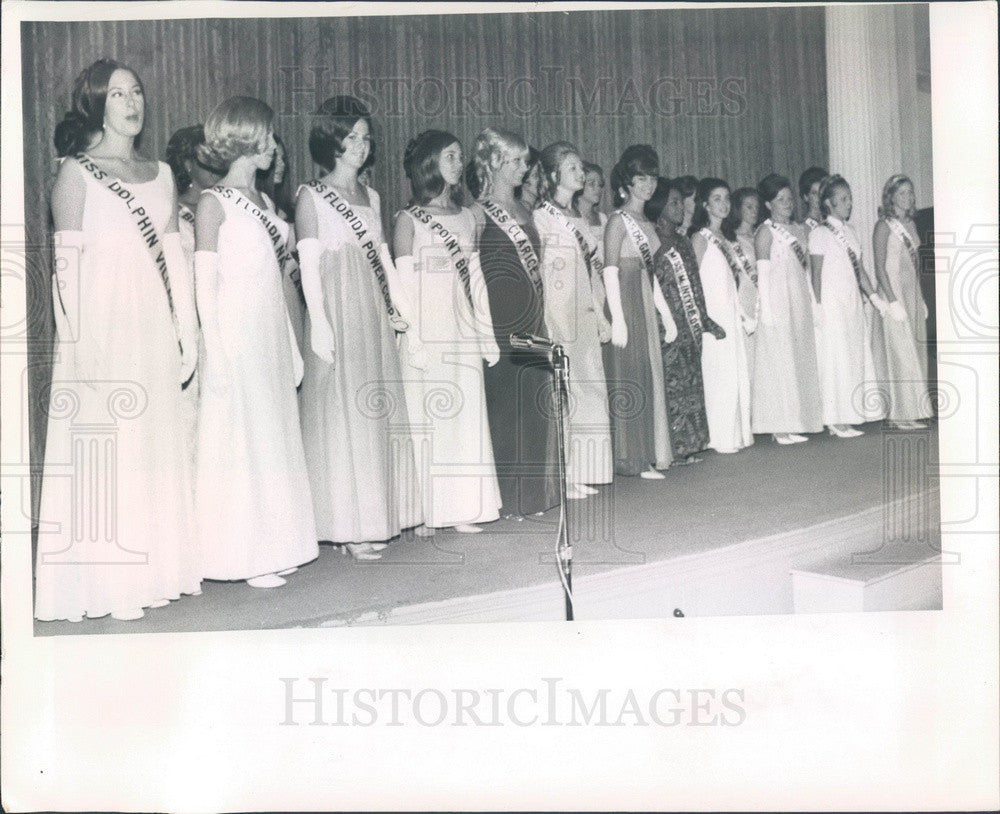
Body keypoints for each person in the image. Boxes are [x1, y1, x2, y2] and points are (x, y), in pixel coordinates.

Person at [37, 58, 201, 622]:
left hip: (153, 327)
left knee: (152, 451)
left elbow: (177, 261)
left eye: (136, 92)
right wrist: (81, 348)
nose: (131, 103)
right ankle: (111, 582)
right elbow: (66, 274)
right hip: (101, 334)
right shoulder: (75, 175)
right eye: (116, 95)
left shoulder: (161, 173)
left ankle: (157, 570)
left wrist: (189, 333)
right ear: (95, 105)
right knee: (111, 457)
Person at [194, 96, 318, 586]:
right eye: (265, 135)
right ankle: (242, 555)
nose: (273, 144)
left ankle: (276, 544)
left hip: (269, 330)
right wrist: (218, 354)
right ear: (245, 139)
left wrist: (290, 345)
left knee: (272, 440)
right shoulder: (212, 204)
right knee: (241, 445)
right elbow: (204, 285)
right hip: (235, 334)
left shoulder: (267, 203)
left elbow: (275, 281)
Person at [295, 95, 420, 559]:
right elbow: (308, 266)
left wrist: (403, 307)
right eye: (351, 137)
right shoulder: (311, 194)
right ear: (331, 140)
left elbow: (384, 261)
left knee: (371, 413)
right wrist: (320, 326)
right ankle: (347, 525)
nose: (360, 146)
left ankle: (374, 516)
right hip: (335, 309)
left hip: (369, 308)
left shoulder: (372, 196)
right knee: (340, 415)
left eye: (366, 138)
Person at [393, 130, 502, 533]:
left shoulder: (467, 217)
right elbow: (401, 286)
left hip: (462, 327)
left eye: (460, 156)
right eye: (451, 156)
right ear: (430, 164)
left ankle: (464, 506)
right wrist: (415, 337)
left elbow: (476, 279)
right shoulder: (407, 220)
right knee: (430, 418)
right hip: (426, 329)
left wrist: (487, 332)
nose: (459, 163)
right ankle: (430, 508)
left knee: (464, 415)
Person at [473, 127, 560, 518]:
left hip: (532, 316)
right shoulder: (476, 213)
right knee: (505, 409)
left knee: (535, 404)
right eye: (517, 161)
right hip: (499, 321)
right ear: (494, 163)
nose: (526, 168)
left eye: (526, 161)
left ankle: (533, 496)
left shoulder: (526, 212)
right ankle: (508, 497)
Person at [534, 141, 613, 497]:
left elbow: (591, 272)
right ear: (553, 175)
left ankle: (583, 469)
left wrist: (601, 312)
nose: (580, 173)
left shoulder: (578, 218)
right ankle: (562, 474)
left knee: (589, 388)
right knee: (565, 394)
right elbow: (541, 273)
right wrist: (547, 322)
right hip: (558, 312)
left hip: (584, 311)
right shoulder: (541, 217)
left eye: (581, 167)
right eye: (571, 168)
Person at [601, 145, 672, 477]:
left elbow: (652, 273)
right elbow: (610, 270)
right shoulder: (618, 220)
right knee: (631, 377)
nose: (648, 184)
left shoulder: (647, 220)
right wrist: (617, 318)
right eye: (640, 177)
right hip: (625, 300)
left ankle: (647, 452)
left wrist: (667, 315)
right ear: (627, 181)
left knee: (649, 374)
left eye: (652, 177)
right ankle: (633, 457)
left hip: (643, 296)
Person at [807, 174, 889, 437]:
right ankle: (834, 419)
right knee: (835, 359)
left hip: (851, 302)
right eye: (843, 199)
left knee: (853, 355)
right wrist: (817, 308)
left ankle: (853, 413)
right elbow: (815, 275)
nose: (849, 203)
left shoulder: (852, 232)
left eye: (850, 198)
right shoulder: (819, 233)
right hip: (831, 304)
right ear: (829, 203)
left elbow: (860, 271)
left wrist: (876, 300)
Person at [165, 124, 223, 477]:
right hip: (186, 322)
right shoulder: (172, 210)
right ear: (187, 164)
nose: (219, 165)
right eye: (209, 159)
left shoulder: (225, 206)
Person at [652, 181, 723, 463]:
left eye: (681, 202)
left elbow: (695, 282)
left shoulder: (683, 240)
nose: (681, 208)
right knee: (672, 386)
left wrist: (704, 318)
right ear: (659, 206)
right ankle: (671, 448)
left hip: (688, 322)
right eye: (674, 203)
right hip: (665, 324)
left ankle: (691, 445)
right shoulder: (653, 239)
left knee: (691, 383)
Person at [752, 174, 824, 442]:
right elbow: (763, 275)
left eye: (789, 198)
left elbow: (807, 272)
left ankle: (797, 420)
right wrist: (768, 312)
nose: (787, 203)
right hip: (777, 302)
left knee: (799, 359)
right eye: (780, 199)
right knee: (779, 362)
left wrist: (814, 304)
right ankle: (778, 426)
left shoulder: (800, 230)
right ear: (769, 204)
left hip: (800, 300)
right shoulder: (765, 232)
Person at [690, 178, 753, 453]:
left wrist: (742, 313)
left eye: (726, 198)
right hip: (712, 315)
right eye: (716, 198)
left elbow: (734, 282)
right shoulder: (699, 238)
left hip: (730, 312)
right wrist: (703, 318)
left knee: (734, 372)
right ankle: (718, 435)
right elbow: (694, 283)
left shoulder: (728, 240)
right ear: (704, 204)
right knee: (718, 374)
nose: (724, 203)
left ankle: (734, 433)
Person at [872, 174, 932, 429]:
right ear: (891, 196)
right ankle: (898, 413)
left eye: (910, 192)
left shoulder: (911, 224)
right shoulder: (884, 226)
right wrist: (893, 301)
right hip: (892, 291)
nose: (908, 197)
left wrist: (920, 297)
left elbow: (914, 265)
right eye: (902, 193)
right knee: (899, 353)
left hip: (911, 293)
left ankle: (913, 410)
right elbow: (879, 267)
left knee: (915, 352)